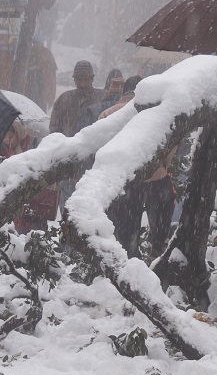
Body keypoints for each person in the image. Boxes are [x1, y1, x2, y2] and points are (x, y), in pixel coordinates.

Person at [101, 76, 177, 257]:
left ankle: (127, 257)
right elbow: (171, 147)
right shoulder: (158, 114)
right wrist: (161, 167)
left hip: (121, 181)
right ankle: (157, 247)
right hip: (155, 180)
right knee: (162, 216)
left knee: (126, 230)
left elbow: (101, 147)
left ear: (123, 92)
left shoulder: (108, 114)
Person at [50, 60, 109, 210]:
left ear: (92, 79)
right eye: (79, 80)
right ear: (74, 80)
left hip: (94, 164)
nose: (82, 84)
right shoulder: (64, 99)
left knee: (89, 211)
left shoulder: (103, 97)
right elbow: (54, 131)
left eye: (86, 80)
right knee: (67, 212)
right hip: (68, 165)